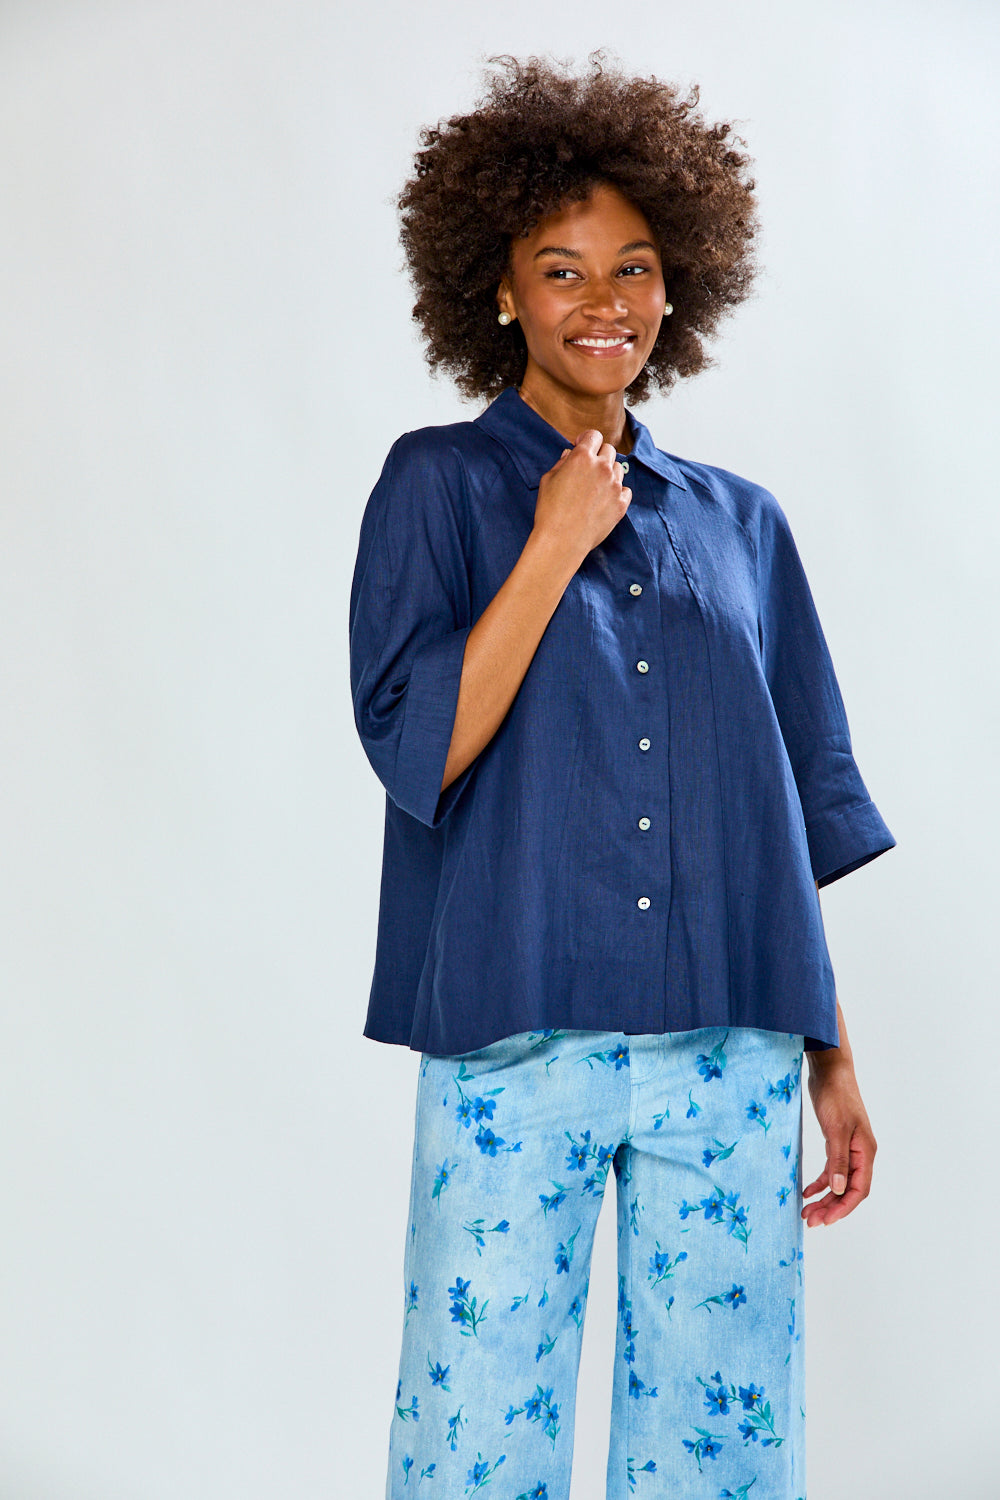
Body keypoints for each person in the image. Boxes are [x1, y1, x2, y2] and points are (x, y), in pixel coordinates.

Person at [348, 49, 896, 1500]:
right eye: (564, 269)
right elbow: (420, 751)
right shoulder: (435, 489)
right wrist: (551, 543)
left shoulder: (743, 526)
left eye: (636, 268)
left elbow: (788, 814)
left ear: (680, 286)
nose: (606, 303)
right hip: (510, 1041)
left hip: (729, 1049)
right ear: (503, 291)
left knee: (723, 1455)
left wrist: (829, 1052)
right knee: (474, 1444)